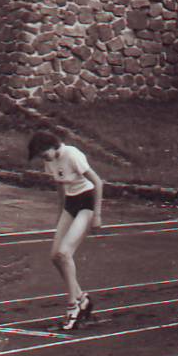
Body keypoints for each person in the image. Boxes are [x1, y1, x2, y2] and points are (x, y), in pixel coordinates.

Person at [27, 130, 103, 331]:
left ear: (52, 146)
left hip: (87, 202)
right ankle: (82, 298)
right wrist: (60, 214)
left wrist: (97, 215)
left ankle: (73, 307)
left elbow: (98, 182)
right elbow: (61, 188)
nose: (44, 159)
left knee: (64, 253)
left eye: (44, 154)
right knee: (55, 256)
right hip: (71, 204)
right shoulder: (50, 161)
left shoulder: (72, 155)